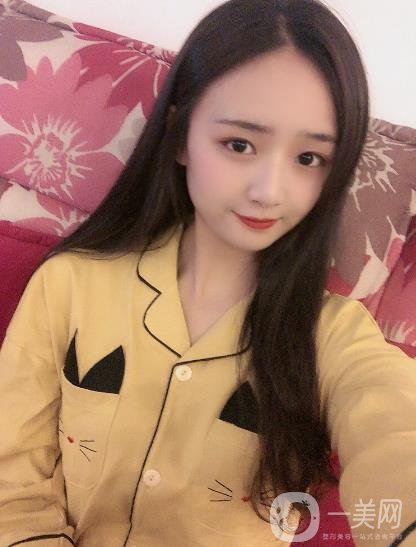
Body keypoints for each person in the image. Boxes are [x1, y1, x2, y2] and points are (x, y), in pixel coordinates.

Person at [0, 0, 415, 545]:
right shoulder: (70, 283)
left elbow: (392, 426)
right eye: (239, 144)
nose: (269, 191)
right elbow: (12, 482)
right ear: (179, 136)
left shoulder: (334, 337)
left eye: (309, 158)